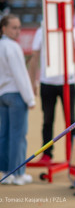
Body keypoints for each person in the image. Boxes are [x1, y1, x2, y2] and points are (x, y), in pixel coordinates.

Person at [28, 25, 75, 163]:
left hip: (68, 82)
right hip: (47, 82)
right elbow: (34, 58)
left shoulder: (71, 29)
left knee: (71, 120)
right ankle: (47, 154)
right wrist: (32, 83)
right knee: (47, 120)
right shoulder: (41, 30)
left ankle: (74, 154)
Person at [0, 14, 35, 185]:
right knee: (18, 136)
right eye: (14, 27)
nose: (18, 31)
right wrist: (30, 99)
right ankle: (18, 173)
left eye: (19, 27)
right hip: (15, 94)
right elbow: (21, 76)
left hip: (3, 95)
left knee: (5, 135)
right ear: (4, 28)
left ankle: (6, 172)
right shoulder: (13, 47)